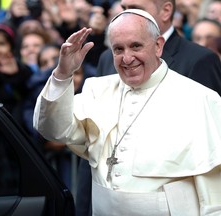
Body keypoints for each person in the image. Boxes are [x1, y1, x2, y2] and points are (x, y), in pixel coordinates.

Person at [33, 9, 221, 215]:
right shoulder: (97, 90)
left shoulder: (199, 98)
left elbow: (214, 197)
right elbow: (52, 130)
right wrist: (62, 74)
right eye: (118, 49)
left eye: (136, 46)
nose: (127, 58)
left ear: (158, 46)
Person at [96, 0, 221, 97]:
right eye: (124, 9)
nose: (127, 15)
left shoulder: (200, 60)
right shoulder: (107, 58)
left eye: (136, 9)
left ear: (166, 11)